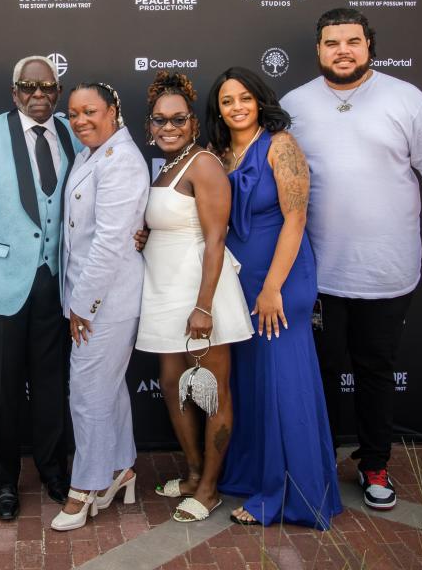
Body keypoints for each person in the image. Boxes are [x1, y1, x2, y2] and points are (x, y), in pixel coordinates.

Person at [282, 8, 422, 510]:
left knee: (376, 371)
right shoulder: (293, 105)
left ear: (369, 47)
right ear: (318, 50)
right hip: (315, 271)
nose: (343, 50)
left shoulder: (406, 99)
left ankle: (374, 465)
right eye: (331, 42)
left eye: (353, 41)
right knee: (317, 374)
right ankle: (315, 464)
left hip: (387, 268)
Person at [210, 67, 342, 530]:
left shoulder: (281, 145)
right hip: (240, 283)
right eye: (227, 101)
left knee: (284, 386)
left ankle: (290, 495)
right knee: (253, 385)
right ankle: (255, 476)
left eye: (244, 97)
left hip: (280, 284)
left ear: (259, 99)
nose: (237, 107)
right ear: (219, 109)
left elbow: (296, 218)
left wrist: (272, 289)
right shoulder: (222, 153)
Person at [0, 56, 81, 520]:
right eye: (29, 87)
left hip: (56, 282)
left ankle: (53, 471)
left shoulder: (72, 131)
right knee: (3, 389)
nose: (39, 95)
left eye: (48, 87)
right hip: (2, 284)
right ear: (14, 92)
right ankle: (3, 481)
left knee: (52, 385)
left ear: (58, 90)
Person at [136, 72, 253, 523]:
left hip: (199, 291)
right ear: (150, 125)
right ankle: (191, 471)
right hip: (163, 289)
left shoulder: (203, 163)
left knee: (212, 392)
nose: (168, 126)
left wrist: (204, 307)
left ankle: (209, 489)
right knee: (172, 385)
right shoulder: (166, 165)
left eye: (177, 119)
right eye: (159, 120)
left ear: (192, 124)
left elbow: (216, 238)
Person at [50, 83, 149, 531]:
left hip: (103, 302)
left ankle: (86, 487)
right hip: (92, 297)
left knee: (88, 393)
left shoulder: (122, 160)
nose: (81, 120)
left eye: (90, 111)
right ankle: (121, 469)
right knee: (106, 388)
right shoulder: (93, 153)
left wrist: (83, 305)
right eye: (73, 114)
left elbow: (110, 243)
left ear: (113, 111)